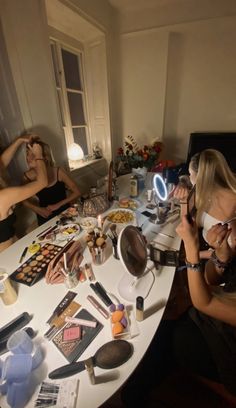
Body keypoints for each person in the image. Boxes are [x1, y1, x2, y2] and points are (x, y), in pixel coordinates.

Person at [121, 216, 236, 406]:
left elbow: (204, 303)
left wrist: (192, 247)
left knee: (168, 334)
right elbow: (210, 279)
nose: (228, 223)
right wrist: (222, 255)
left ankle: (136, 393)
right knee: (168, 323)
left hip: (227, 353)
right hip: (211, 320)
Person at [174, 149, 236, 258]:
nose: (189, 177)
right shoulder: (203, 191)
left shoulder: (233, 209)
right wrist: (184, 199)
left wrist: (192, 255)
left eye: (190, 174)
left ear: (201, 178)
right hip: (199, 244)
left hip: (218, 260)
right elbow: (186, 226)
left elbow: (228, 254)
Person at [0, 136, 47, 252]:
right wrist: (39, 156)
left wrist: (19, 140)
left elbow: (2, 162)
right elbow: (42, 182)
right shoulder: (3, 197)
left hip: (14, 247)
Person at [23, 137, 81, 225]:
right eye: (27, 153)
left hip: (65, 212)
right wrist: (37, 209)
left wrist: (58, 205)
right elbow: (22, 199)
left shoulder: (58, 171)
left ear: (45, 157)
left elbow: (77, 192)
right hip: (45, 216)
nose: (28, 158)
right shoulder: (27, 176)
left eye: (33, 155)